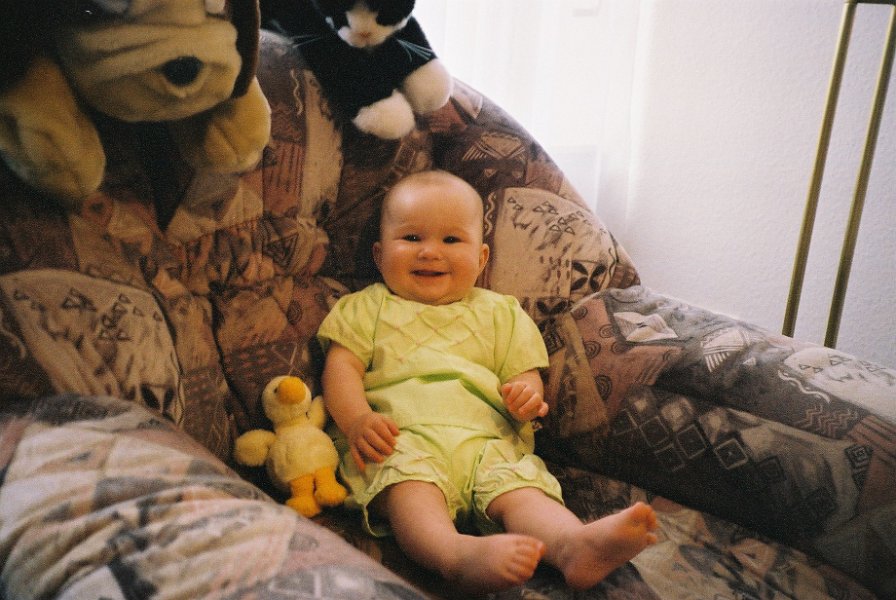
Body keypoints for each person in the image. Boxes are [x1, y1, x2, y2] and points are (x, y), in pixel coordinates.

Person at [318, 170, 658, 594]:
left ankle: (572, 546)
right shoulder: (365, 307)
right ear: (379, 253)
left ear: (481, 259)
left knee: (522, 492)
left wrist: (526, 395)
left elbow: (524, 373)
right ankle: (453, 555)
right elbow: (342, 370)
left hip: (488, 442)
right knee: (408, 488)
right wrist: (356, 420)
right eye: (411, 238)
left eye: (451, 240)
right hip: (399, 439)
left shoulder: (501, 312)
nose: (429, 252)